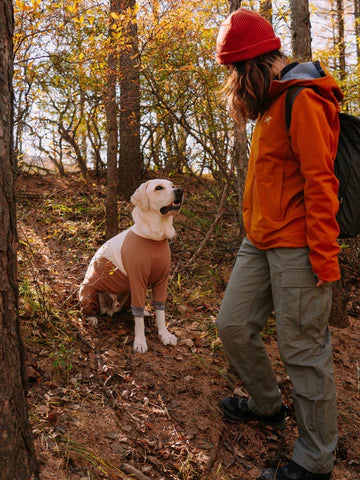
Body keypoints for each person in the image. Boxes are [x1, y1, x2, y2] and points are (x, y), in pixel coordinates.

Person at [215, 8, 343, 480]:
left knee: (304, 350)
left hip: (298, 247)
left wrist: (324, 260)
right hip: (259, 241)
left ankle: (315, 459)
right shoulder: (270, 103)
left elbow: (321, 182)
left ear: (250, 65)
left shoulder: (301, 99)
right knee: (231, 325)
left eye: (234, 72)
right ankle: (267, 404)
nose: (233, 83)